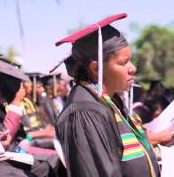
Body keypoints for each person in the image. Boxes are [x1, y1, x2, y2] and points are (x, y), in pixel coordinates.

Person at [54, 13, 159, 177]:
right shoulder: (85, 112)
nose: (133, 68)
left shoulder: (107, 101)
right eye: (123, 63)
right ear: (96, 68)